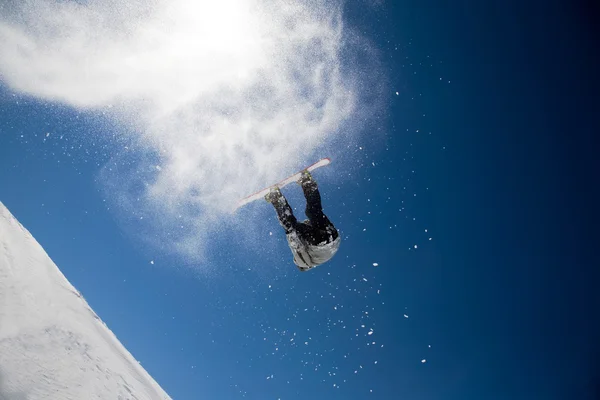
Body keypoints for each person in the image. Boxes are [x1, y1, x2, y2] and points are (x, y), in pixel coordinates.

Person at [265, 170, 341, 271]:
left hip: (333, 237)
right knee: (290, 226)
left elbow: (310, 225)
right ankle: (276, 196)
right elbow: (297, 245)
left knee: (313, 211)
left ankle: (307, 182)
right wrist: (291, 232)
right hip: (321, 243)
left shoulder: (318, 259)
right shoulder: (304, 262)